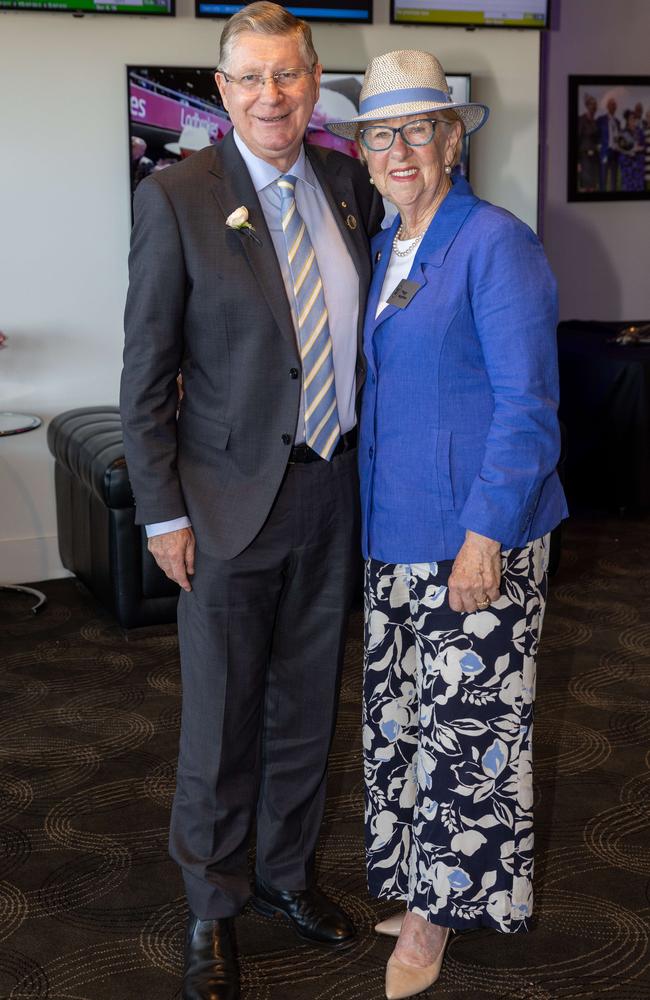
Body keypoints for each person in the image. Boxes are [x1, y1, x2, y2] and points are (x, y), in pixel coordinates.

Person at [120, 4, 383, 998]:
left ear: (314, 81)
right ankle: (211, 907)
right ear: (222, 90)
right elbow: (144, 377)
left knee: (305, 710)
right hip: (225, 506)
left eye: (287, 75)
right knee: (221, 719)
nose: (270, 97)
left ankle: (283, 877)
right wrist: (163, 512)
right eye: (249, 79)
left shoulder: (346, 182)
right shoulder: (178, 197)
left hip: (331, 492)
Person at [327, 50, 568, 999]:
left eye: (417, 130)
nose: (398, 149)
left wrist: (486, 535)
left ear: (453, 140)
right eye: (381, 133)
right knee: (402, 725)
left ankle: (436, 920)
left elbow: (527, 407)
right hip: (394, 531)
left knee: (468, 734)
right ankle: (417, 883)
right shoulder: (389, 245)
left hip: (473, 536)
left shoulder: (494, 242)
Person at [577, 93, 600, 192]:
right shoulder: (581, 120)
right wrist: (577, 162)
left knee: (593, 187)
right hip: (584, 158)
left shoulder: (595, 122)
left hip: (594, 158)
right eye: (591, 104)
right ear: (587, 105)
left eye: (595, 105)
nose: (593, 107)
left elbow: (597, 140)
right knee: (584, 187)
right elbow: (576, 140)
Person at [597, 96, 621, 191]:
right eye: (611, 104)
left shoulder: (617, 122)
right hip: (605, 152)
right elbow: (596, 134)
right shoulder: (601, 120)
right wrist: (599, 146)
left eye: (614, 104)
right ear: (607, 106)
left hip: (615, 152)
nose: (613, 106)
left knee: (614, 181)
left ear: (616, 107)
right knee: (603, 179)